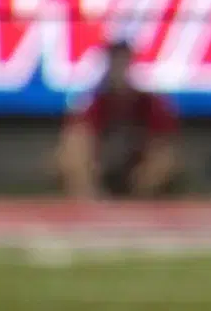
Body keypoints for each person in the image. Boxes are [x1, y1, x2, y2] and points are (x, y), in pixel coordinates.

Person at [55, 41, 180, 200]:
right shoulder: (93, 103)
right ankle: (88, 206)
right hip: (100, 171)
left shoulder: (151, 103)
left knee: (163, 159)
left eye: (123, 63)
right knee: (73, 148)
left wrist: (146, 178)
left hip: (139, 175)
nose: (118, 70)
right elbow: (76, 145)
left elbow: (164, 148)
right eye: (114, 63)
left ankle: (140, 206)